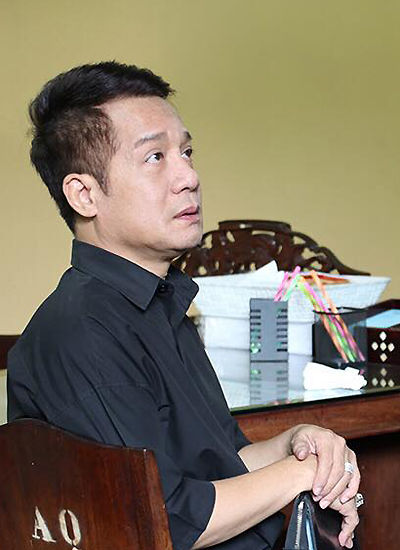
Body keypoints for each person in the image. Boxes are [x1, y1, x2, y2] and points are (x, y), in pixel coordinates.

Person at [7, 62, 360, 550]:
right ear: (84, 194)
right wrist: (299, 476)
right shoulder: (81, 330)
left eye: (187, 152)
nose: (189, 177)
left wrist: (296, 444)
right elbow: (167, 518)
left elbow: (223, 464)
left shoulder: (162, 303)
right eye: (155, 157)